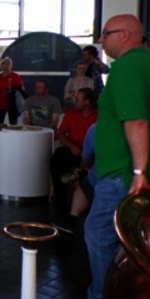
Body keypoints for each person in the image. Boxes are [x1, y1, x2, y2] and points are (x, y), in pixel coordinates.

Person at [60, 15, 150, 299]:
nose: (101, 40)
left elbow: (136, 120)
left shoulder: (127, 67)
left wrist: (138, 171)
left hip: (124, 174)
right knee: (132, 238)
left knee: (98, 233)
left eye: (106, 33)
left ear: (126, 35)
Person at [50, 88, 97, 231]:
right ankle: (59, 200)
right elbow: (60, 134)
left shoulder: (98, 116)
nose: (74, 101)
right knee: (57, 159)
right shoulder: (71, 114)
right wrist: (71, 147)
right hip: (74, 150)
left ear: (87, 102)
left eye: (77, 99)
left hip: (92, 153)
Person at [0, 57, 26, 125]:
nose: (6, 65)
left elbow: (21, 90)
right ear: (1, 65)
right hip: (1, 104)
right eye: (4, 63)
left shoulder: (15, 76)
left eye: (8, 63)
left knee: (13, 125)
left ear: (11, 65)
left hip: (13, 104)